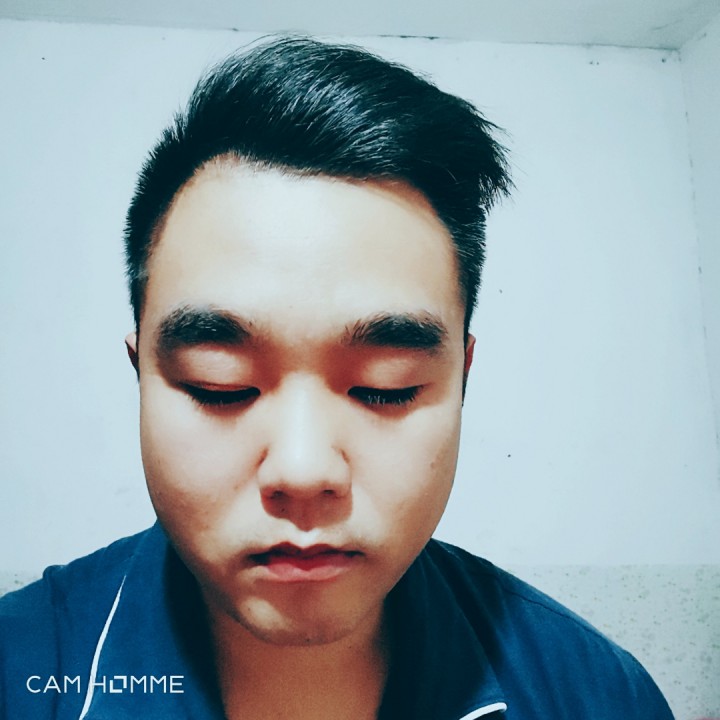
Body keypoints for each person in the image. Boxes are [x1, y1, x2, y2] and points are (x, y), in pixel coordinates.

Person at [0, 36, 674, 720]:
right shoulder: (20, 672)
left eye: (387, 386)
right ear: (142, 373)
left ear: (462, 379)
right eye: (219, 385)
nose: (303, 470)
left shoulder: (598, 695)